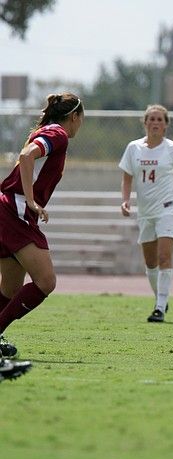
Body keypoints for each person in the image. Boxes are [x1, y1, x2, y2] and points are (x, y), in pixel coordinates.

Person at [0, 92, 84, 360]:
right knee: (46, 281)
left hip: (8, 209)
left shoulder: (50, 130)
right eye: (82, 119)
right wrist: (33, 201)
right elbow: (26, 156)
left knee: (10, 289)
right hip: (15, 211)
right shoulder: (57, 133)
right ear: (74, 117)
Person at [119, 105, 173, 323]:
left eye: (159, 119)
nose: (155, 123)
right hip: (146, 212)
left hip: (169, 207)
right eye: (151, 119)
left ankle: (159, 309)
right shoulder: (133, 148)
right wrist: (126, 200)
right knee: (150, 263)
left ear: (166, 125)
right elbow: (127, 177)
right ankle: (161, 299)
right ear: (145, 122)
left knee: (164, 256)